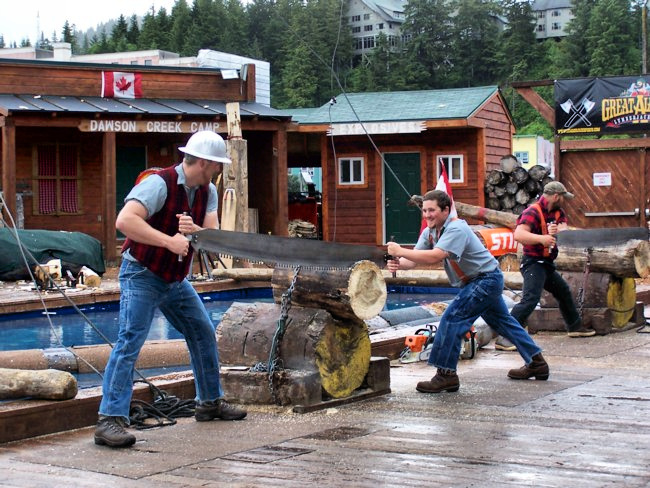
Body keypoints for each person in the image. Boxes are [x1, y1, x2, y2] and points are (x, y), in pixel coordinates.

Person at [95, 131, 247, 448]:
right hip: (142, 273)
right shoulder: (158, 184)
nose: (218, 171)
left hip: (175, 279)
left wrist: (196, 233)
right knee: (130, 341)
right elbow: (124, 221)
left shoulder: (207, 192)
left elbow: (212, 236)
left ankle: (209, 402)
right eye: (217, 165)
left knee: (203, 331)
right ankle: (110, 419)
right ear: (204, 163)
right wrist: (169, 241)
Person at [386, 190, 549, 394]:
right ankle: (537, 362)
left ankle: (446, 375)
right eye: (424, 210)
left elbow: (435, 256)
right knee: (503, 322)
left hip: (484, 280)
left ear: (446, 210)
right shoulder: (430, 232)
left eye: (432, 210)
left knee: (453, 318)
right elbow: (415, 258)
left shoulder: (456, 228)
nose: (427, 215)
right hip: (480, 281)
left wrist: (400, 251)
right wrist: (399, 264)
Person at [497, 181, 595, 351]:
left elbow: (564, 230)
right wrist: (542, 239)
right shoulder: (532, 212)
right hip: (533, 263)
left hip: (547, 263)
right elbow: (519, 234)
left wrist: (563, 234)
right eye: (563, 197)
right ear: (556, 196)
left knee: (563, 291)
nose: (564, 201)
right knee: (530, 300)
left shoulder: (558, 212)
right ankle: (505, 337)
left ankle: (575, 327)